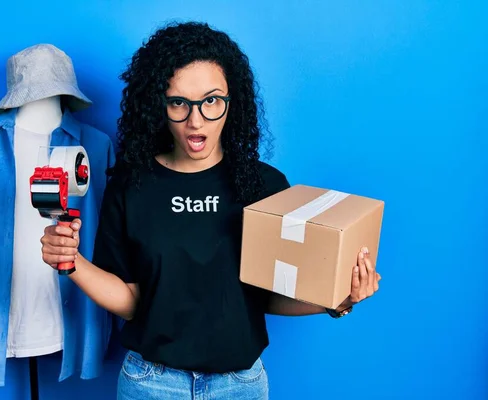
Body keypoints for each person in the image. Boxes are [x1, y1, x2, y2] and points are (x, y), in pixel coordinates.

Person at [40, 21, 381, 399]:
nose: (196, 120)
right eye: (178, 103)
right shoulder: (131, 185)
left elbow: (266, 297)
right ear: (159, 104)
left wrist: (339, 300)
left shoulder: (264, 187)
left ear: (232, 103)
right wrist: (71, 262)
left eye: (211, 101)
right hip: (150, 383)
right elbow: (134, 302)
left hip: (240, 386)